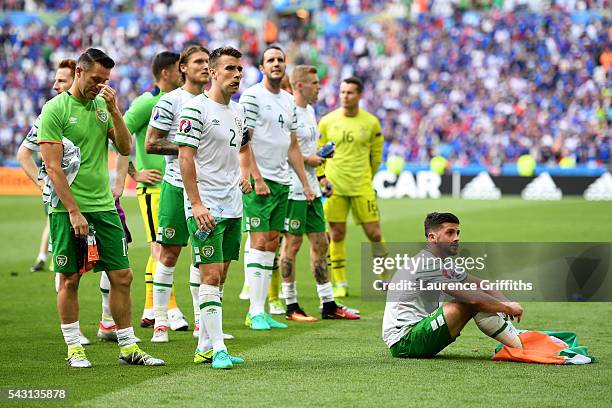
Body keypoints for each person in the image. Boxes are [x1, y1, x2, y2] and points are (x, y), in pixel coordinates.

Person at [38, 48, 164, 367]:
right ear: (79, 73)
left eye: (106, 80)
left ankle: (128, 347)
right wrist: (73, 211)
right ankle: (74, 347)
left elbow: (124, 147)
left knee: (122, 275)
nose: (100, 85)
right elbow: (52, 168)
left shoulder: (102, 107)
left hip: (104, 206)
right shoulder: (55, 110)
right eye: (96, 79)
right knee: (70, 277)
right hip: (69, 209)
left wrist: (116, 111)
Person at [177, 46, 251, 369]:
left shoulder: (238, 112)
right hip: (206, 206)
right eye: (231, 69)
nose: (237, 75)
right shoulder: (196, 109)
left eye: (240, 70)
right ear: (213, 72)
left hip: (233, 205)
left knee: (219, 277)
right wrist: (195, 203)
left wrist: (245, 176)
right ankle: (219, 348)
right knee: (208, 276)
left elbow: (242, 150)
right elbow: (184, 158)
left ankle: (205, 346)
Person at [17, 59, 93, 345]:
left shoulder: (92, 108)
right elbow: (25, 154)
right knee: (68, 271)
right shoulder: (50, 113)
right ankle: (73, 332)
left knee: (113, 268)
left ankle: (109, 323)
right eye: (55, 81)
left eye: (60, 81)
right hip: (64, 201)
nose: (55, 85)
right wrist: (41, 184)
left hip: (96, 199)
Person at [239, 45, 315, 331]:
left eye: (280, 60)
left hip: (282, 181)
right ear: (262, 67)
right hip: (262, 181)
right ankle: (254, 311)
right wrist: (256, 177)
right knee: (259, 242)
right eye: (270, 59)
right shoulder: (252, 97)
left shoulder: (287, 100)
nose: (276, 63)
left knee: (271, 243)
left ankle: (261, 309)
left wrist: (305, 184)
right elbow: (245, 140)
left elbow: (293, 145)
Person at [382, 212, 524, 358]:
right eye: (450, 233)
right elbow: (473, 299)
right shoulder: (426, 263)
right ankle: (521, 346)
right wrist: (508, 308)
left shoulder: (444, 262)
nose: (456, 238)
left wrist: (506, 302)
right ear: (432, 237)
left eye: (457, 232)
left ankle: (515, 338)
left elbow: (483, 285)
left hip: (419, 331)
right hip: (404, 341)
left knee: (476, 295)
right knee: (470, 300)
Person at [279, 65, 360, 321]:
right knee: (291, 245)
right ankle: (290, 305)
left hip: (311, 187)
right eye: (315, 83)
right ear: (300, 85)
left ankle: (328, 303)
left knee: (321, 243)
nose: (319, 87)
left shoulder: (310, 110)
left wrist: (320, 170)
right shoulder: (288, 110)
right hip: (293, 188)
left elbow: (306, 150)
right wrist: (310, 160)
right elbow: (282, 151)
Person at [145, 45, 211, 342]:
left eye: (208, 62)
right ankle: (160, 321)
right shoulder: (169, 102)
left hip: (208, 188)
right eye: (198, 62)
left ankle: (201, 323)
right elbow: (151, 144)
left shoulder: (215, 102)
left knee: (203, 257)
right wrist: (186, 147)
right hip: (175, 185)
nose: (205, 67)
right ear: (182, 67)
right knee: (169, 253)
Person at [120, 51, 189, 330]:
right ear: (165, 73)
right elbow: (118, 134)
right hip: (154, 188)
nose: (182, 72)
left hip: (177, 184)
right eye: (178, 68)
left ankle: (150, 309)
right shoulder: (147, 102)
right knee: (161, 248)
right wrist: (135, 173)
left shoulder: (184, 100)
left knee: (166, 249)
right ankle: (169, 310)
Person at [317, 77, 387, 298]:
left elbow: (376, 156)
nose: (345, 96)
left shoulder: (371, 123)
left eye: (350, 92)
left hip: (362, 186)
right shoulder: (328, 121)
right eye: (342, 92)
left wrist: (368, 177)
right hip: (335, 185)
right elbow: (319, 153)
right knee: (336, 234)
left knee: (374, 233)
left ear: (359, 95)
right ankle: (340, 283)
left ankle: (384, 278)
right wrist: (322, 178)